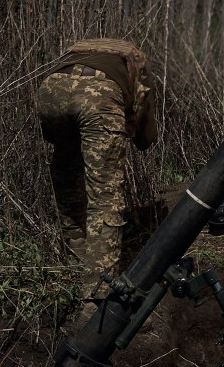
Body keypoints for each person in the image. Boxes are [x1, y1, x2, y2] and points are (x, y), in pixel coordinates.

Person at [37, 38, 158, 302]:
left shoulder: (78, 48)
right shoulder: (134, 56)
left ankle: (77, 252)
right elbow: (143, 108)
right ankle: (97, 298)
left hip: (50, 92)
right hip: (97, 97)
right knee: (105, 196)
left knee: (66, 166)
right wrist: (142, 138)